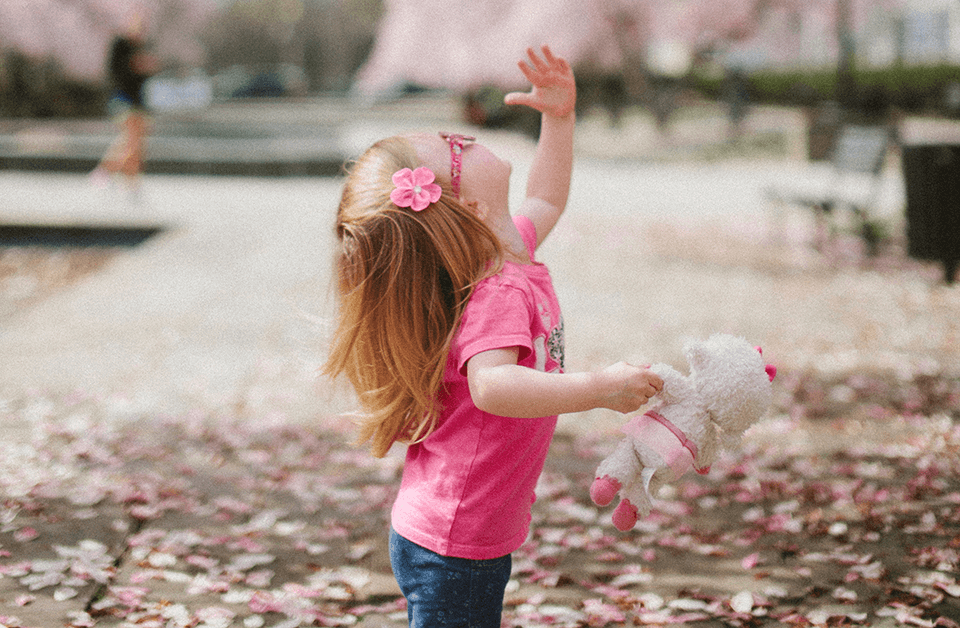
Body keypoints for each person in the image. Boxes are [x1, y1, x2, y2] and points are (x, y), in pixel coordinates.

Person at [323, 45, 663, 628]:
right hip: (456, 541)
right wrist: (600, 387)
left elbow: (548, 196)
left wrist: (558, 119)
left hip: (453, 526)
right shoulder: (496, 291)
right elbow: (494, 385)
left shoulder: (509, 249)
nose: (463, 135)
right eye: (455, 148)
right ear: (472, 206)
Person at [90, 18, 158, 192]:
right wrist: (136, 67)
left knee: (134, 142)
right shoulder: (121, 47)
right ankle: (108, 172)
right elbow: (118, 73)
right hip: (123, 101)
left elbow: (142, 79)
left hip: (137, 102)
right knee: (132, 141)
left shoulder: (140, 48)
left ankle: (127, 178)